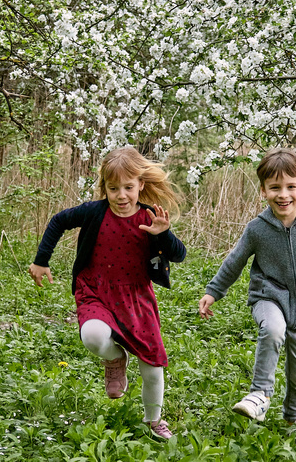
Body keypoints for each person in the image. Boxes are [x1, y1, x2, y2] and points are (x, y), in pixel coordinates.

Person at [29, 146, 185, 440]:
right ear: (105, 188)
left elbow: (178, 255)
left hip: (136, 298)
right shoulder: (93, 212)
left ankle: (154, 420)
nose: (121, 195)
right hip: (95, 291)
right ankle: (115, 359)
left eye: (128, 187)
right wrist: (41, 259)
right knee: (93, 336)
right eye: (113, 188)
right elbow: (58, 221)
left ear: (140, 185)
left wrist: (162, 233)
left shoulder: (150, 217)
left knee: (152, 367)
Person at [198, 148, 296, 427]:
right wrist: (213, 291)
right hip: (268, 296)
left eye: (290, 187)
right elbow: (234, 261)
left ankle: (292, 418)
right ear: (263, 191)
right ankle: (259, 395)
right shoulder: (257, 229)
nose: (283, 195)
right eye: (275, 188)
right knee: (272, 329)